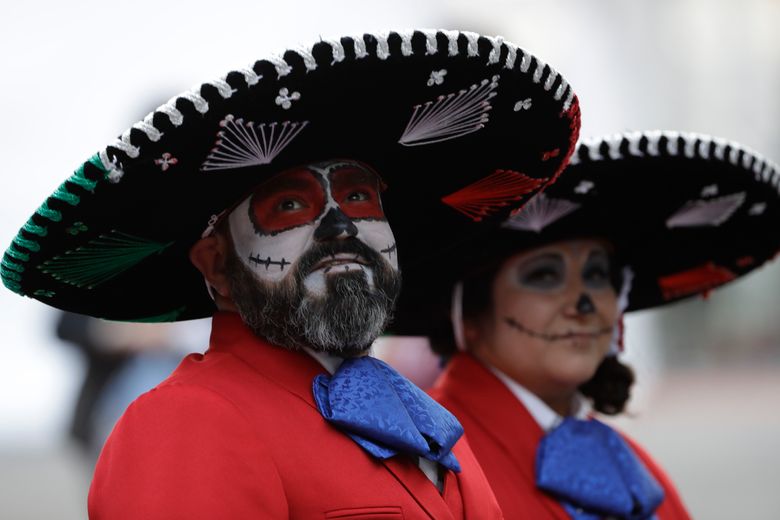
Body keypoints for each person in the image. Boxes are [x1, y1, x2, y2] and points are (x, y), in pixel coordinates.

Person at [1, 30, 582, 518]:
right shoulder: (188, 424)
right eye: (289, 206)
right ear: (217, 267)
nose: (340, 229)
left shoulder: (428, 422)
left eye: (359, 196)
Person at [394, 130, 780, 519]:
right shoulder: (423, 464)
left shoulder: (635, 467)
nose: (583, 302)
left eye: (598, 274)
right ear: (469, 314)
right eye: (544, 275)